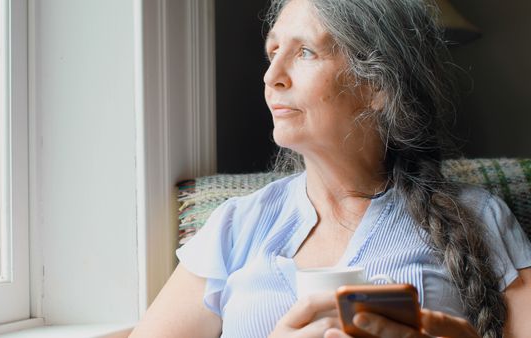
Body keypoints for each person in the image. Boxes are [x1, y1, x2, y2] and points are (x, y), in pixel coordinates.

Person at [129, 0, 531, 337]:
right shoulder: (236, 226)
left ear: (378, 86)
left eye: (305, 52)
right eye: (273, 52)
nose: (271, 77)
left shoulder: (478, 217)